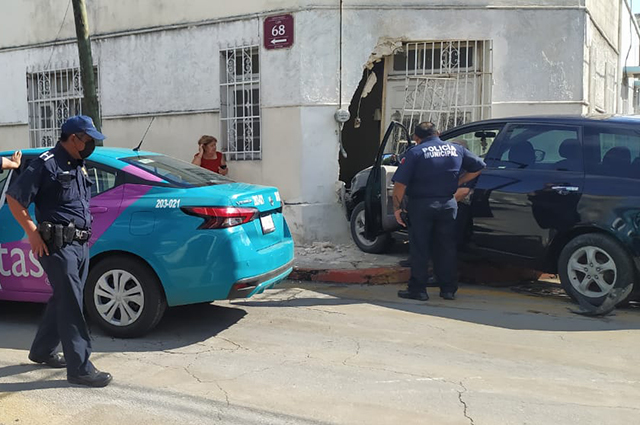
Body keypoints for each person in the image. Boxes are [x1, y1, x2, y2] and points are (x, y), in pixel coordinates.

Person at [6, 115, 112, 387]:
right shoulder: (46, 164)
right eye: (88, 139)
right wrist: (32, 233)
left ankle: (41, 350)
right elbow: (15, 199)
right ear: (74, 138)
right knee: (72, 304)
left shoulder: (79, 164)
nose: (91, 144)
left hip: (79, 245)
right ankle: (80, 368)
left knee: (64, 298)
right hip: (56, 244)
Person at [392, 122, 486, 301]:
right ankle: (448, 289)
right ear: (438, 133)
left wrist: (397, 208)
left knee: (420, 248)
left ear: (416, 138)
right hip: (448, 204)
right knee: (446, 247)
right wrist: (457, 182)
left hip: (421, 205)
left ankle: (418, 290)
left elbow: (400, 184)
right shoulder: (456, 149)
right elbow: (479, 166)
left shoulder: (416, 152)